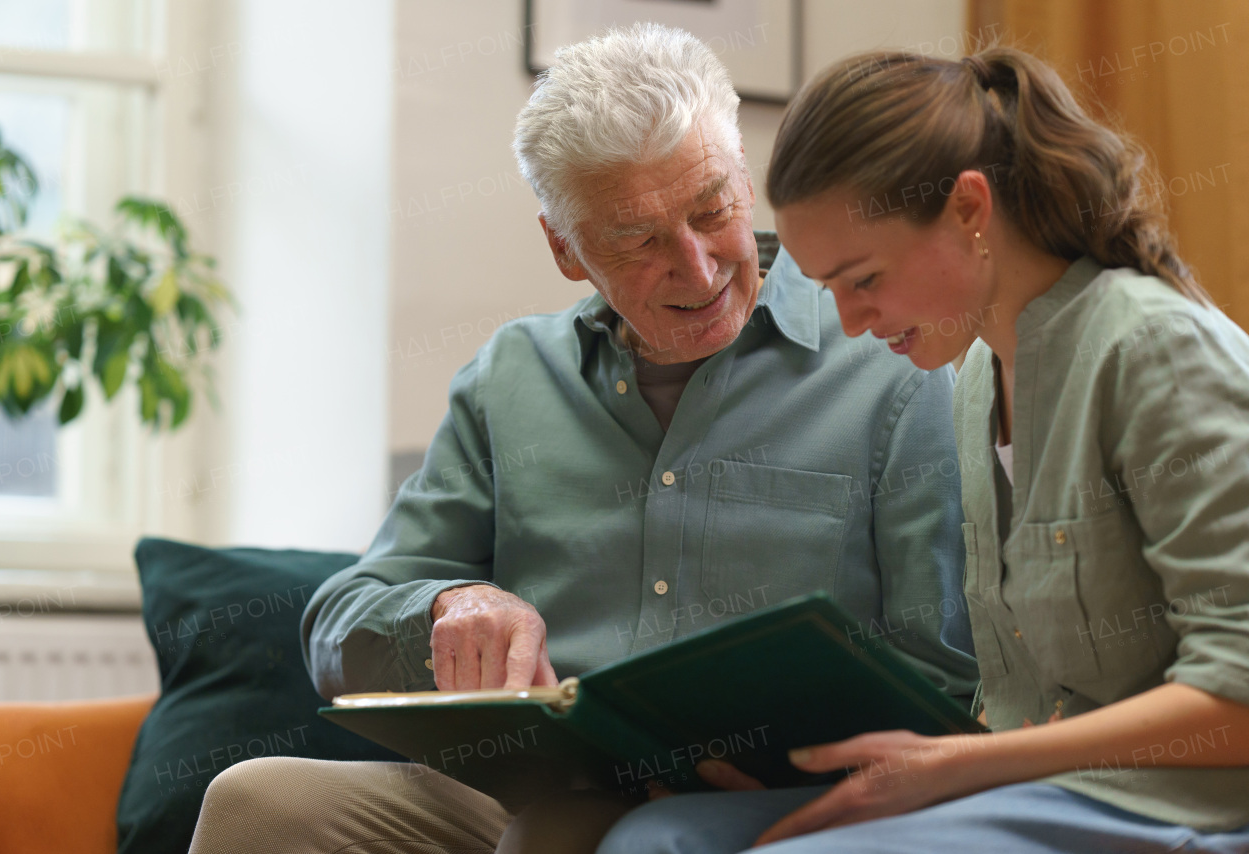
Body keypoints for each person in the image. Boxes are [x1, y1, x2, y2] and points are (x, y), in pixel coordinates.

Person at [185, 25, 979, 854]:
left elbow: (945, 673)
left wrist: (810, 770)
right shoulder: (511, 378)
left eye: (712, 208)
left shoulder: (890, 362)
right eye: (637, 241)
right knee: (257, 803)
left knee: (557, 836)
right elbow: (337, 625)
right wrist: (448, 607)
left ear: (746, 179)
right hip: (524, 790)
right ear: (565, 249)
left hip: (771, 808)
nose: (700, 269)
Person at [595, 44, 1249, 854]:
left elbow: (1241, 692)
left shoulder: (1152, 350)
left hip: (1178, 807)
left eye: (863, 279)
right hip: (1031, 788)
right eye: (828, 288)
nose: (852, 322)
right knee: (657, 839)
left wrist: (964, 765)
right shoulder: (975, 377)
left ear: (971, 209)